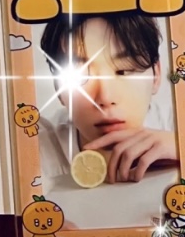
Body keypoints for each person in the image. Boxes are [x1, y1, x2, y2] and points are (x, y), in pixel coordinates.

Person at [38, 12, 177, 186]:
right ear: (58, 88)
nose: (105, 98)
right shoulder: (34, 150)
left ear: (156, 75)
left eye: (124, 70)